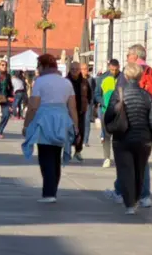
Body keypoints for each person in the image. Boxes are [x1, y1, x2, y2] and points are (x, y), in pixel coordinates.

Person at [106, 44, 152, 207]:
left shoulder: (128, 74)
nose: (126, 58)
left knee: (125, 163)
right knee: (142, 163)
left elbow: (115, 103)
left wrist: (109, 127)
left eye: (128, 55)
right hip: (146, 126)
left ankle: (125, 194)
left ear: (135, 56)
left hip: (126, 125)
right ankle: (142, 196)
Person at [21, 54, 77, 203]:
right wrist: (76, 126)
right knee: (56, 156)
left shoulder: (40, 82)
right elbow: (72, 107)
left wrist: (26, 125)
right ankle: (52, 191)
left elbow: (33, 106)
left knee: (45, 156)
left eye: (38, 66)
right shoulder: (66, 83)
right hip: (61, 119)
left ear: (43, 66)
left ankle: (48, 193)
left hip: (44, 119)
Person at [94, 59, 120, 168]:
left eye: (116, 69)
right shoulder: (102, 78)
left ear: (119, 67)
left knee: (119, 136)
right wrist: (103, 102)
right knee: (106, 135)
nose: (113, 72)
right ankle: (107, 158)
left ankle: (119, 158)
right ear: (109, 67)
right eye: (112, 69)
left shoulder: (122, 78)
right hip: (106, 110)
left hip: (119, 111)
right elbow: (97, 94)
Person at [66, 62, 91, 162]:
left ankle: (78, 151)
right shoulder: (65, 81)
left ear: (80, 70)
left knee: (80, 132)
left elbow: (89, 95)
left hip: (81, 111)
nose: (74, 71)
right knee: (67, 132)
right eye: (72, 69)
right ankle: (67, 151)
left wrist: (88, 104)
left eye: (76, 69)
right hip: (67, 111)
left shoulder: (84, 82)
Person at [79, 63, 96, 146]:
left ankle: (85, 140)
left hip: (88, 103)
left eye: (86, 69)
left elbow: (94, 90)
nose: (85, 70)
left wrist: (93, 102)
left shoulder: (91, 79)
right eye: (83, 69)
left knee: (86, 121)